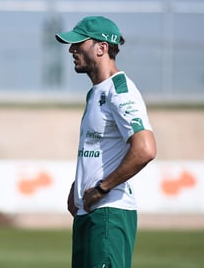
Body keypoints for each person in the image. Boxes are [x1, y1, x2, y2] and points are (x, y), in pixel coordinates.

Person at [55, 16, 157, 268]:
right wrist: (78, 186)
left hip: (109, 215)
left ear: (101, 48)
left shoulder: (120, 91)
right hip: (89, 215)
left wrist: (101, 188)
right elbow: (99, 148)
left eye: (79, 43)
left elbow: (145, 148)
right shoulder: (96, 92)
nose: (72, 49)